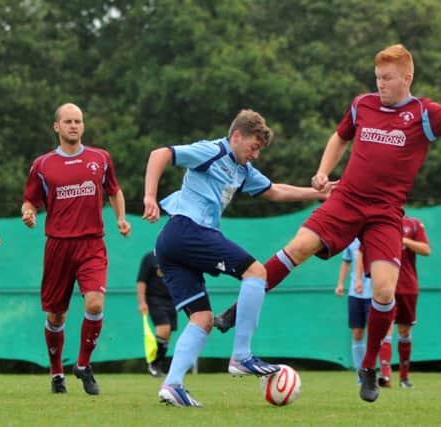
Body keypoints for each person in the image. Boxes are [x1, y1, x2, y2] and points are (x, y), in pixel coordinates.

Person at [213, 44, 441, 403]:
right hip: (345, 200)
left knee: (384, 292)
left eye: (388, 78)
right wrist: (322, 172)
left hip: (385, 214)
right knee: (297, 247)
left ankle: (369, 367)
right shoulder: (363, 104)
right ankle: (238, 310)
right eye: (377, 77)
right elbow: (340, 136)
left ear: (407, 78)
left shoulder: (424, 113)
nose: (381, 84)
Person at [142, 109, 334, 407]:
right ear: (236, 136)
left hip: (171, 244)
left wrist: (318, 194)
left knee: (202, 319)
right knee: (256, 272)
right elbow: (160, 154)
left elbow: (276, 191)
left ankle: (172, 384)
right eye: (253, 147)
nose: (255, 154)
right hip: (187, 230)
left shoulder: (242, 170)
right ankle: (242, 356)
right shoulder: (213, 150)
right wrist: (150, 197)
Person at [21, 103, 131, 395]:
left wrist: (121, 218)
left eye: (78, 121)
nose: (74, 125)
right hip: (58, 246)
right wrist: (28, 212)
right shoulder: (43, 165)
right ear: (56, 127)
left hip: (92, 243)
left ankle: (82, 364)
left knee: (95, 304)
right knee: (56, 316)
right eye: (68, 121)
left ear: (83, 126)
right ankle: (57, 372)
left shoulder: (100, 158)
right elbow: (30, 200)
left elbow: (114, 190)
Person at [378, 215, 430, 389]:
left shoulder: (413, 224)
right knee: (385, 329)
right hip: (386, 285)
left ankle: (404, 378)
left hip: (407, 285)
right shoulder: (379, 222)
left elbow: (426, 250)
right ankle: (384, 376)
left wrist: (404, 241)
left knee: (404, 331)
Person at [334, 238, 372, 380]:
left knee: (375, 334)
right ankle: (360, 374)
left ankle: (374, 370)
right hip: (354, 294)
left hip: (375, 293)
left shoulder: (374, 236)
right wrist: (340, 284)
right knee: (357, 333)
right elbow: (346, 261)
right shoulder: (351, 239)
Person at [137, 250, 177, 377]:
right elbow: (141, 281)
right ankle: (153, 364)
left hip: (172, 300)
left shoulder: (175, 256)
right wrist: (142, 302)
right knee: (164, 328)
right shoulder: (149, 257)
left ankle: (157, 365)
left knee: (168, 333)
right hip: (154, 299)